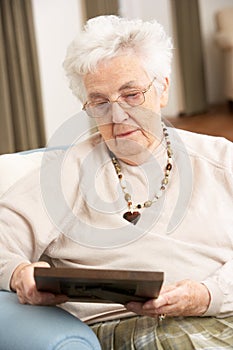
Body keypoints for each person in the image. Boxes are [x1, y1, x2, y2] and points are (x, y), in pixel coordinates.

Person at [1, 15, 233, 349]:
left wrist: (207, 295)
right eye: (99, 102)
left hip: (219, 312)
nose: (117, 115)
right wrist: (19, 274)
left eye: (131, 94)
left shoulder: (220, 160)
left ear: (163, 88)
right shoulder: (64, 174)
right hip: (128, 328)